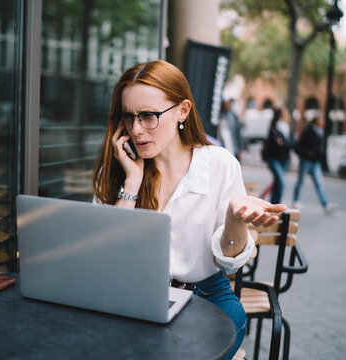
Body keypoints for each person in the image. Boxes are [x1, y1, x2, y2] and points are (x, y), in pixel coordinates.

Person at [92, 60, 286, 359]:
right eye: (128, 118)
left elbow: (232, 265)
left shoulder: (219, 164)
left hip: (206, 295)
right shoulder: (117, 170)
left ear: (182, 111)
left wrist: (235, 220)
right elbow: (107, 258)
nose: (136, 130)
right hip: (134, 293)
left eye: (148, 116)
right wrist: (131, 183)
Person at [292, 116, 338, 214]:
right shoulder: (308, 131)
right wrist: (308, 153)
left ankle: (325, 205)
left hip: (315, 162)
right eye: (321, 120)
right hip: (306, 161)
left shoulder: (320, 132)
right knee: (300, 182)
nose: (323, 122)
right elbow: (299, 146)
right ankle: (295, 201)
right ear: (316, 121)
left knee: (319, 184)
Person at [262, 107, 292, 204]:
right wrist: (283, 144)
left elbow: (289, 143)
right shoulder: (275, 128)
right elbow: (276, 144)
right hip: (274, 159)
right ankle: (275, 203)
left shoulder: (286, 128)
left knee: (278, 183)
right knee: (281, 182)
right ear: (280, 115)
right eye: (285, 113)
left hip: (284, 159)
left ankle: (273, 204)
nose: (287, 115)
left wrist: (284, 144)